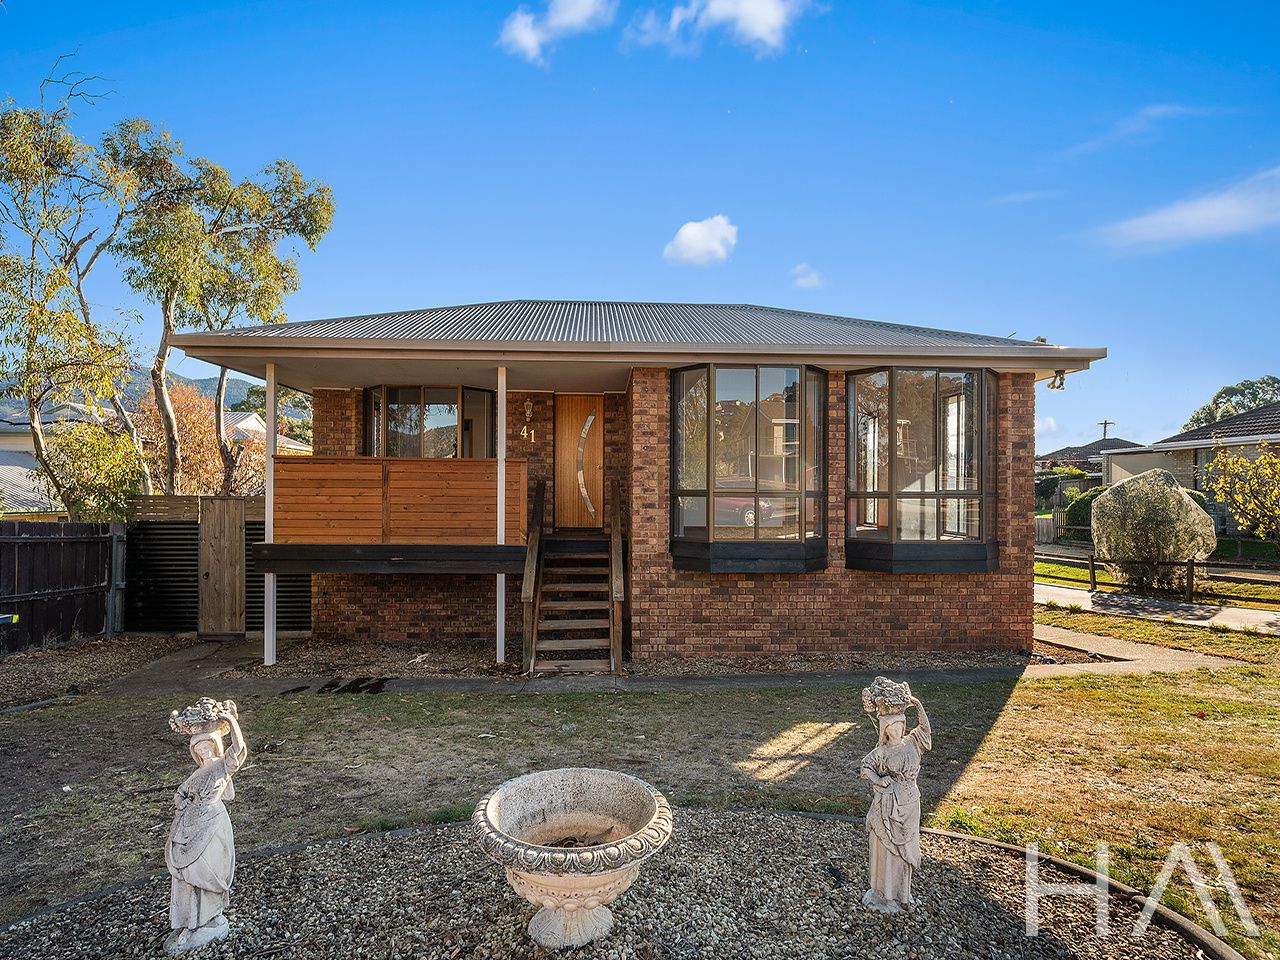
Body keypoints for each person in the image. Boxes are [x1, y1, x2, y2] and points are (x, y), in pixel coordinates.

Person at [165, 700, 246, 953]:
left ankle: (209, 919)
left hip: (212, 825)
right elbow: (180, 793)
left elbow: (240, 749)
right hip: (189, 826)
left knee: (205, 869)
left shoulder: (223, 766)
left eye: (207, 746)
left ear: (216, 745)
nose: (204, 752)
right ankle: (190, 921)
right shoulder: (196, 775)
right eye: (199, 749)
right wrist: (182, 804)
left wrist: (231, 721)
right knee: (186, 873)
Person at [859, 687, 931, 912]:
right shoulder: (881, 752)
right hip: (887, 806)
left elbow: (926, 731)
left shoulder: (912, 743)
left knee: (905, 850)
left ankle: (903, 893)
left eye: (901, 725)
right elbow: (865, 767)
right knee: (887, 850)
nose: (899, 730)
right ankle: (885, 894)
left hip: (910, 803)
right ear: (885, 730)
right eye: (893, 727)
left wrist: (917, 705)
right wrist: (879, 781)